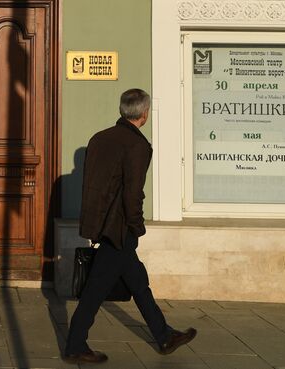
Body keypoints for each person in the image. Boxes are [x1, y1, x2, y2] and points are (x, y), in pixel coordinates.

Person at [63, 89, 197, 364]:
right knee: (96, 289)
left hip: (101, 224)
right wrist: (136, 226)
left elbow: (93, 185)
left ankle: (164, 335)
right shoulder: (137, 145)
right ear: (144, 113)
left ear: (123, 109)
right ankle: (76, 344)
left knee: (137, 282)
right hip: (120, 228)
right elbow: (132, 193)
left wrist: (94, 224)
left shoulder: (99, 138)